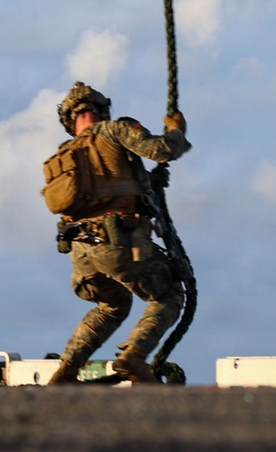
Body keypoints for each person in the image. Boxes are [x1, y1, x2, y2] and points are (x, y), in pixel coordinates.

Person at [42, 82, 191, 384]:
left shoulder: (65, 153)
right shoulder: (114, 130)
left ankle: (67, 369)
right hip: (118, 243)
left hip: (82, 256)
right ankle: (134, 358)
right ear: (101, 110)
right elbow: (160, 149)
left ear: (70, 122)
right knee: (171, 294)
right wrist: (177, 132)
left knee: (113, 305)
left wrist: (150, 181)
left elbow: (109, 187)